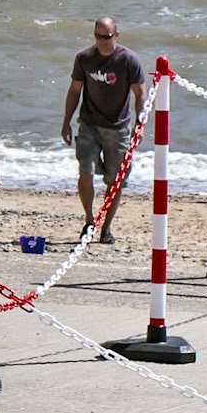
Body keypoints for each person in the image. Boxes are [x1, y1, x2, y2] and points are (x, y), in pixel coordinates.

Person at [60, 17, 146, 244]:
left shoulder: (128, 60)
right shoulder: (85, 58)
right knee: (85, 170)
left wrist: (140, 123)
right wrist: (66, 122)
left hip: (118, 127)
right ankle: (89, 220)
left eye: (107, 37)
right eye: (98, 36)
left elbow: (140, 93)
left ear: (116, 35)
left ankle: (106, 227)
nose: (102, 41)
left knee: (115, 180)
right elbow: (74, 91)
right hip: (89, 123)